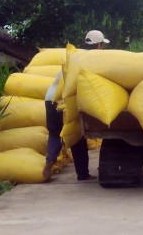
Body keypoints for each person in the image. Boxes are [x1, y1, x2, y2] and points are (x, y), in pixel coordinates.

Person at [42, 30, 110, 181]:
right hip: (66, 101)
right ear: (99, 45)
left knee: (54, 134)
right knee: (77, 136)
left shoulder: (73, 57)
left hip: (50, 98)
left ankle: (49, 162)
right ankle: (83, 174)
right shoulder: (94, 60)